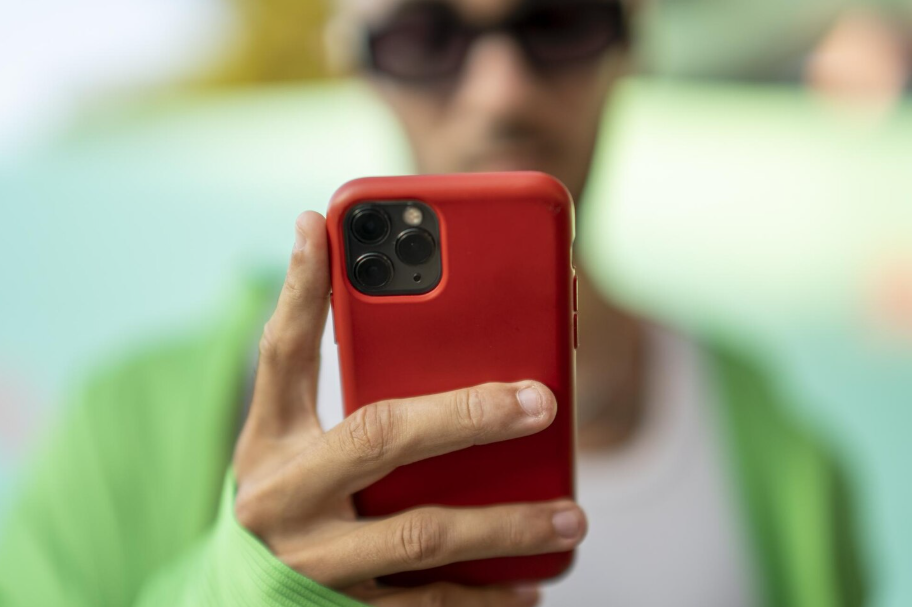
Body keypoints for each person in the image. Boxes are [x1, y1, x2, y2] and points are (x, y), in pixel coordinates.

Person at [0, 1, 867, 606]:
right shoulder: (120, 434)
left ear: (629, 33)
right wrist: (251, 588)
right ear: (358, 59)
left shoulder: (787, 456)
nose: (500, 91)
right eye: (426, 35)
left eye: (557, 21)